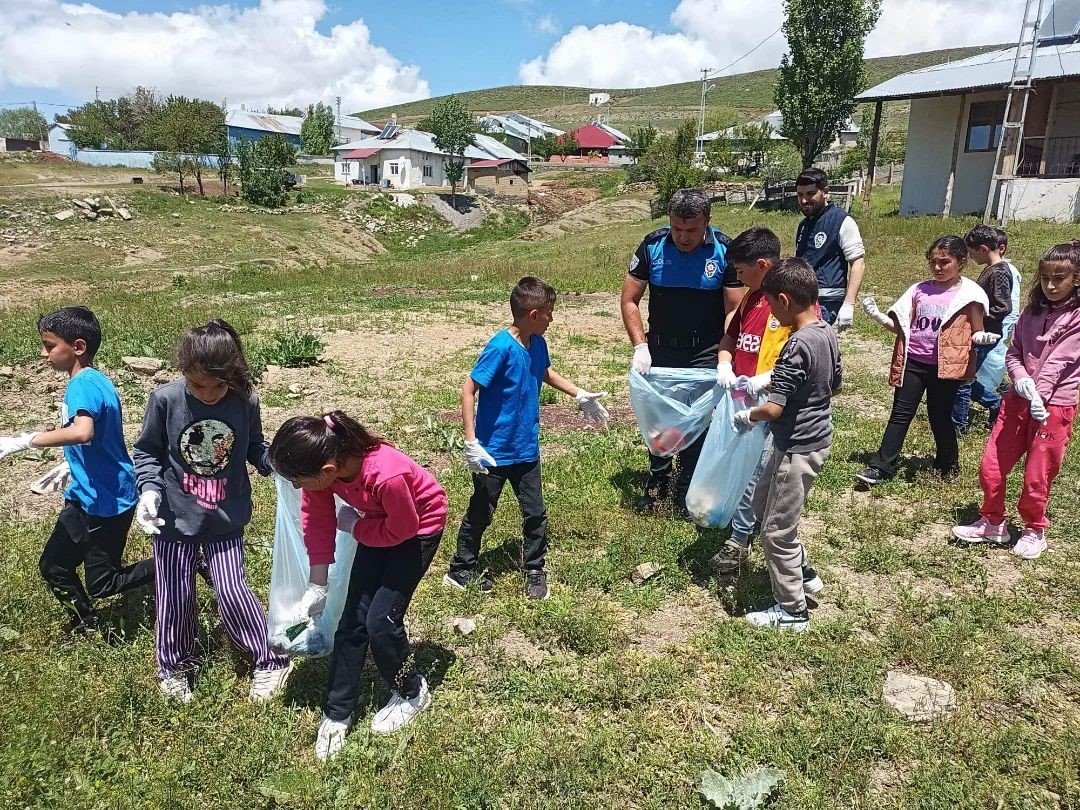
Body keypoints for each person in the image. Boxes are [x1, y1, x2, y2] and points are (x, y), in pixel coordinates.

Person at [269, 411, 448, 760]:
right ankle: (337, 712)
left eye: (298, 479)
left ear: (327, 472)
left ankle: (411, 690)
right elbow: (318, 523)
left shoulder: (387, 474)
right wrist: (316, 586)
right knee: (352, 622)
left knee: (382, 621)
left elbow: (403, 531)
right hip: (380, 523)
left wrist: (355, 527)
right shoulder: (328, 470)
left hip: (417, 530)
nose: (295, 486)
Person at [132, 319, 292, 703]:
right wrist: (149, 491)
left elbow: (255, 444)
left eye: (215, 385)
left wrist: (277, 465)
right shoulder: (166, 399)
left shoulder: (244, 401)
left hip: (225, 514)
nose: (205, 393)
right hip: (172, 516)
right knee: (175, 594)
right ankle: (174, 666)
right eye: (196, 385)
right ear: (183, 373)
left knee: (233, 589)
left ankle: (271, 659)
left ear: (233, 376)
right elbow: (147, 451)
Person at [446, 276, 608, 600]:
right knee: (481, 511)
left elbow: (544, 372)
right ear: (533, 314)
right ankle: (460, 570)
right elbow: (468, 388)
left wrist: (579, 394)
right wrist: (470, 441)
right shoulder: (500, 348)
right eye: (549, 312)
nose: (552, 318)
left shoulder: (538, 344)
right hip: (492, 453)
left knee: (535, 512)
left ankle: (534, 569)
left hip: (526, 449)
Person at [0, 307, 154, 636]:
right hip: (86, 495)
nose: (43, 354)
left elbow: (83, 432)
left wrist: (26, 441)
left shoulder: (81, 385)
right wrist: (71, 464)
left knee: (103, 582)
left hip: (106, 503)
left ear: (78, 347)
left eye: (49, 345)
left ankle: (176, 563)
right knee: (54, 565)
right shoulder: (95, 380)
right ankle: (87, 624)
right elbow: (97, 438)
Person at [730, 258, 842, 631]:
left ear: (783, 300)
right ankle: (803, 571)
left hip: (797, 446)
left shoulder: (796, 344)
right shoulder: (826, 332)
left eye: (772, 307)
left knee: (776, 531)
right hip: (808, 439)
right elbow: (833, 383)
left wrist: (748, 415)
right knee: (762, 505)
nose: (772, 315)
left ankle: (792, 610)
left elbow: (774, 409)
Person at [707, 228, 821, 595]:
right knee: (744, 470)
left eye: (741, 272)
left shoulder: (792, 305)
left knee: (758, 475)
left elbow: (805, 357)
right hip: (743, 400)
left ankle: (740, 539)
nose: (738, 279)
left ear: (761, 265)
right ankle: (753, 536)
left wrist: (766, 379)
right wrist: (725, 362)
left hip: (773, 406)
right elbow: (730, 336)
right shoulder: (751, 299)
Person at [953, 241, 1080, 560]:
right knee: (991, 465)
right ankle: (993, 522)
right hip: (1018, 400)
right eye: (1046, 277)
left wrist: (1038, 394)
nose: (1050, 285)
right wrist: (1021, 381)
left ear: (1076, 278)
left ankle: (1034, 528)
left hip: (1053, 407)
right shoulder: (1031, 312)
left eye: (1059, 278)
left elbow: (1060, 361)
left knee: (1037, 475)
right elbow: (1015, 352)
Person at [620, 187, 743, 515]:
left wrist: (725, 358)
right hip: (660, 350)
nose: (683, 237)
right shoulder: (652, 245)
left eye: (691, 230)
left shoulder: (724, 252)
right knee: (660, 420)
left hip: (705, 352)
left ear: (707, 221)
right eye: (677, 228)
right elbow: (629, 300)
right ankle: (657, 482)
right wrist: (639, 346)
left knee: (697, 421)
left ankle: (687, 487)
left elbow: (734, 310)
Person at [856, 237, 996, 486]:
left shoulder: (970, 294)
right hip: (914, 362)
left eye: (945, 262)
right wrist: (877, 315)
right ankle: (881, 466)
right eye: (933, 262)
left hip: (944, 366)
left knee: (939, 416)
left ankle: (947, 465)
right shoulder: (918, 290)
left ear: (961, 262)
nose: (938, 268)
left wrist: (980, 337)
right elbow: (902, 329)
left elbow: (976, 329)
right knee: (900, 414)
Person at [952, 225, 1016, 434]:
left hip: (985, 335)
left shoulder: (999, 273)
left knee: (963, 380)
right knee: (965, 377)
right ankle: (996, 403)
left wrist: (977, 316)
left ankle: (958, 426)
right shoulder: (992, 270)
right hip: (979, 334)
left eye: (971, 253)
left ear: (982, 249)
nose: (971, 258)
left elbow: (1003, 307)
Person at [794, 168, 866, 330]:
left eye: (810, 194)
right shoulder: (804, 225)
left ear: (825, 192)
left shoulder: (842, 221)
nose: (804, 200)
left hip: (827, 301)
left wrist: (849, 304)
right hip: (804, 299)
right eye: (800, 195)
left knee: (811, 345)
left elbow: (858, 263)